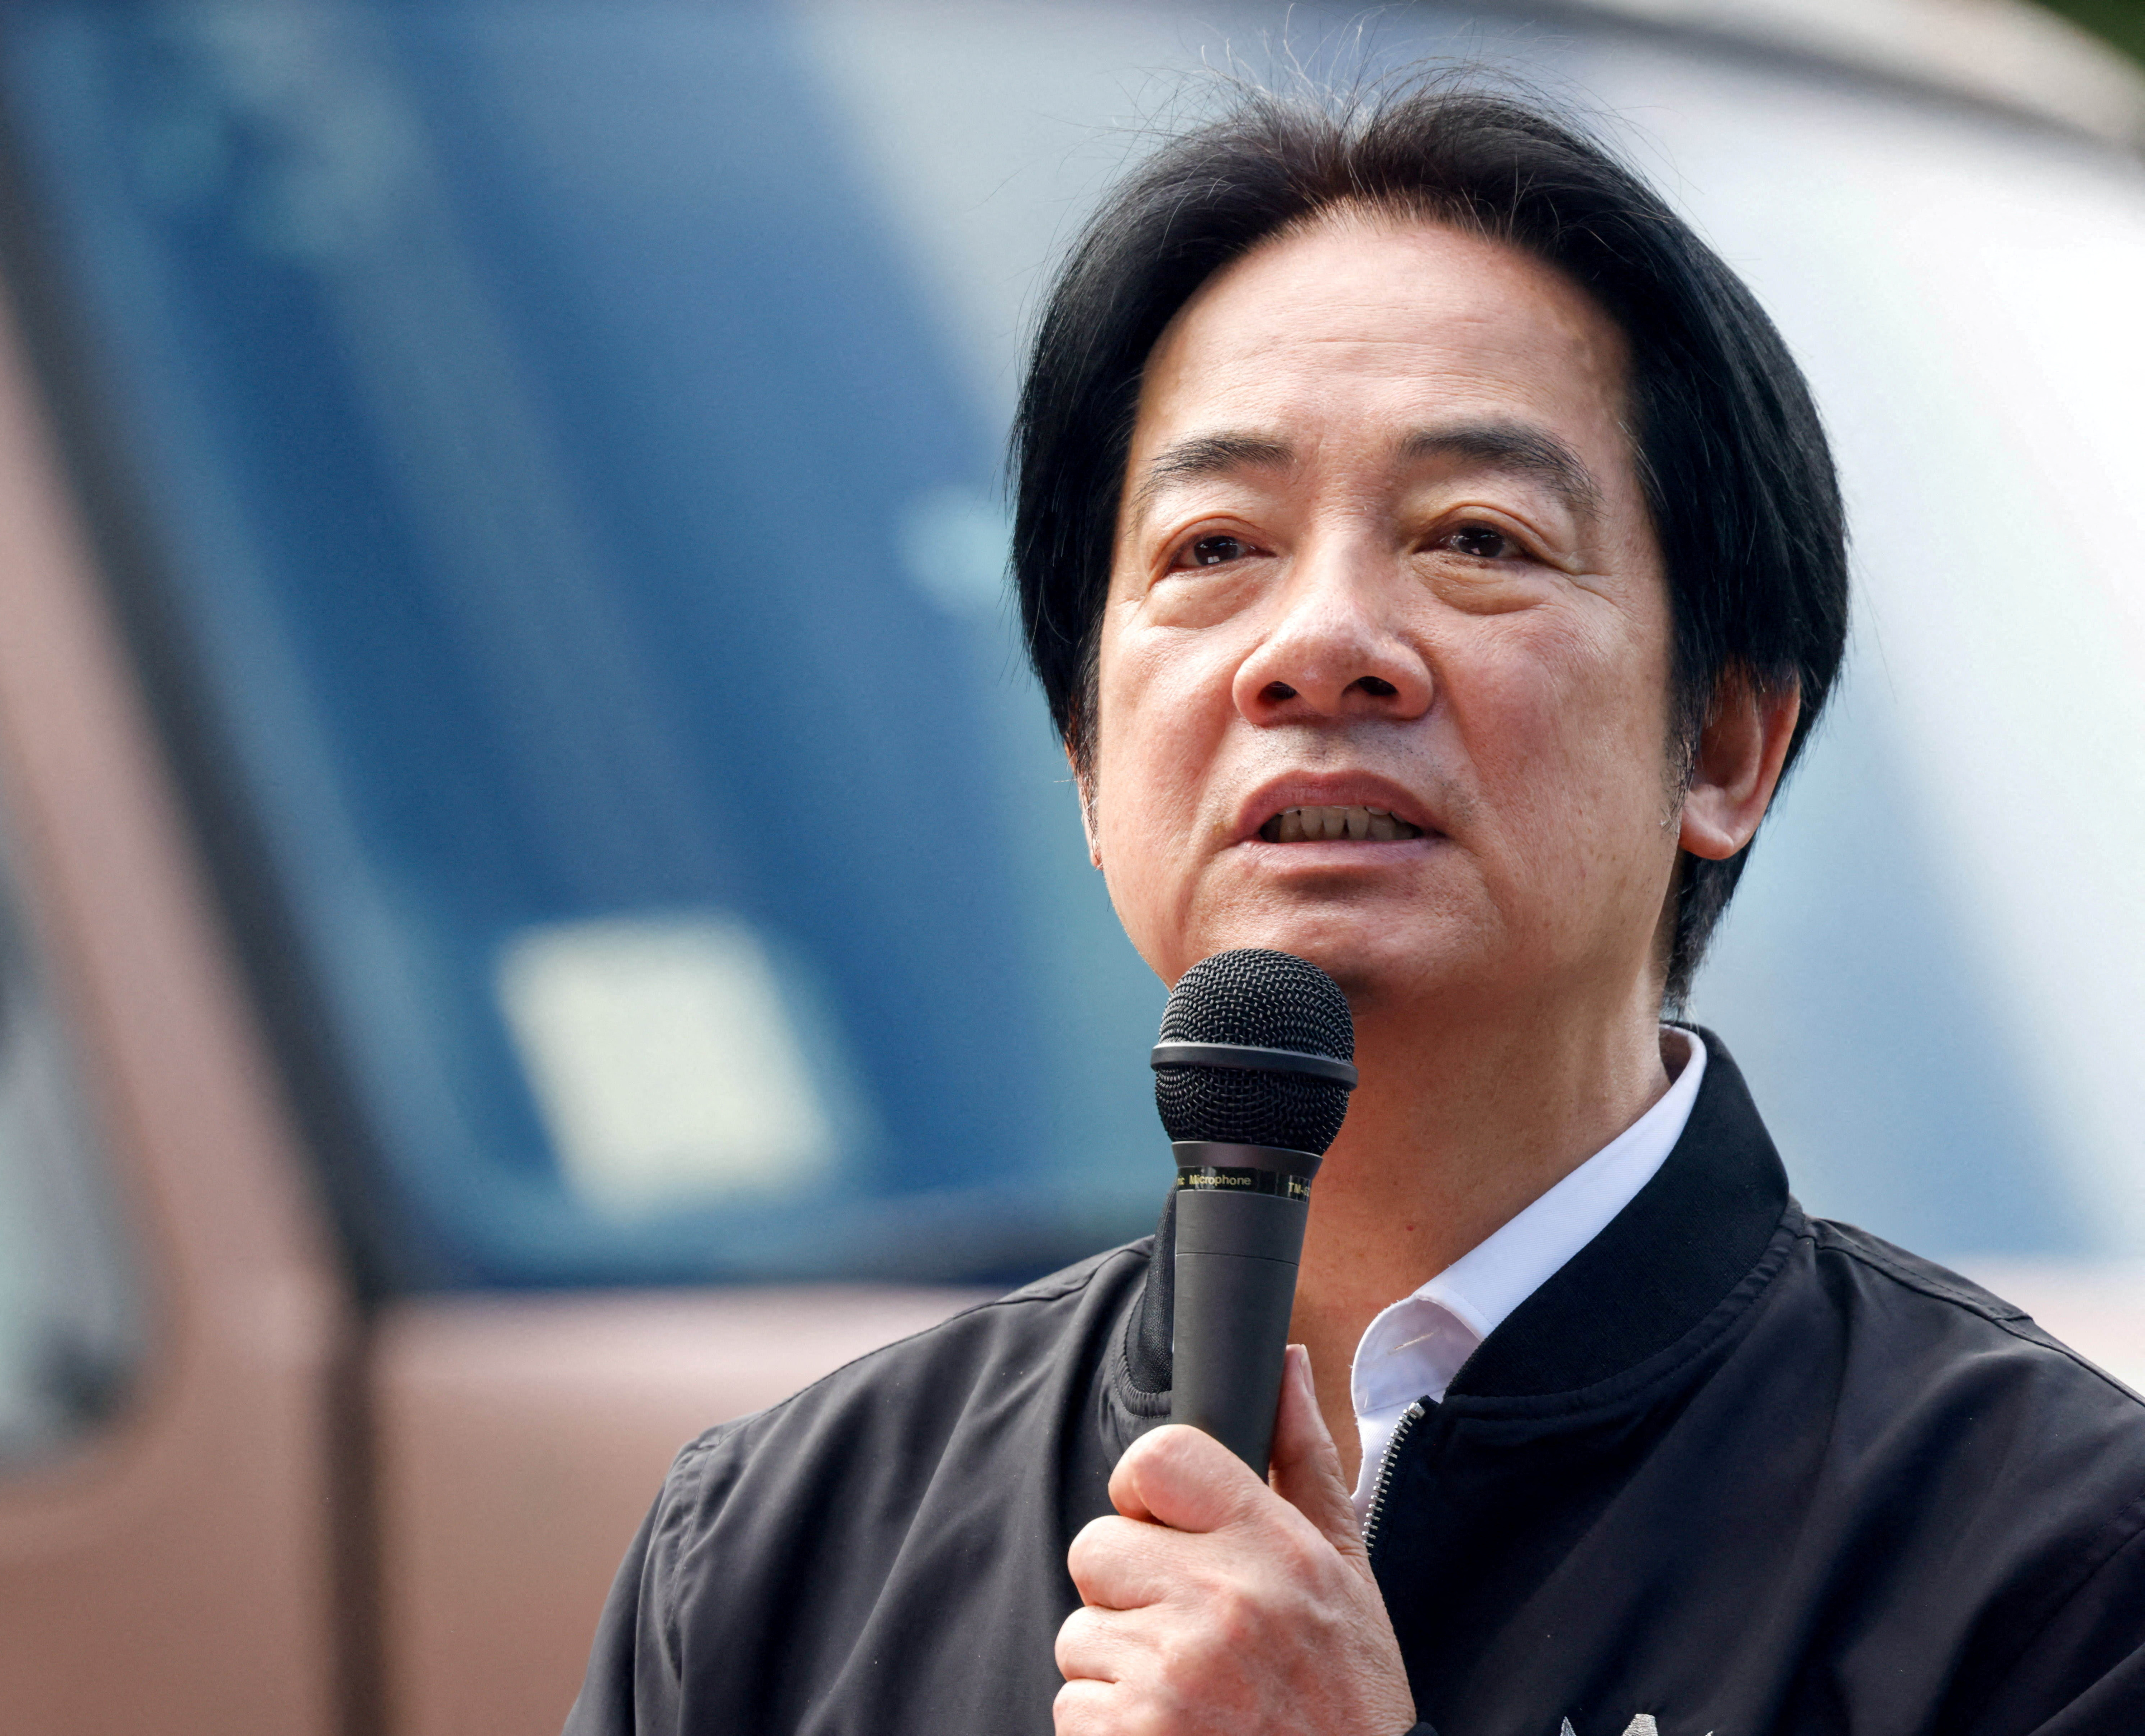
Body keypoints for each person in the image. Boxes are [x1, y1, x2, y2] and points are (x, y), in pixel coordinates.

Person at [564, 84, 2145, 1736]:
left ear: (1731, 743)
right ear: (1087, 764)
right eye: (1213, 545)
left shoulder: (2059, 1574)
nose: (1317, 642)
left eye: (1476, 537)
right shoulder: (778, 1549)